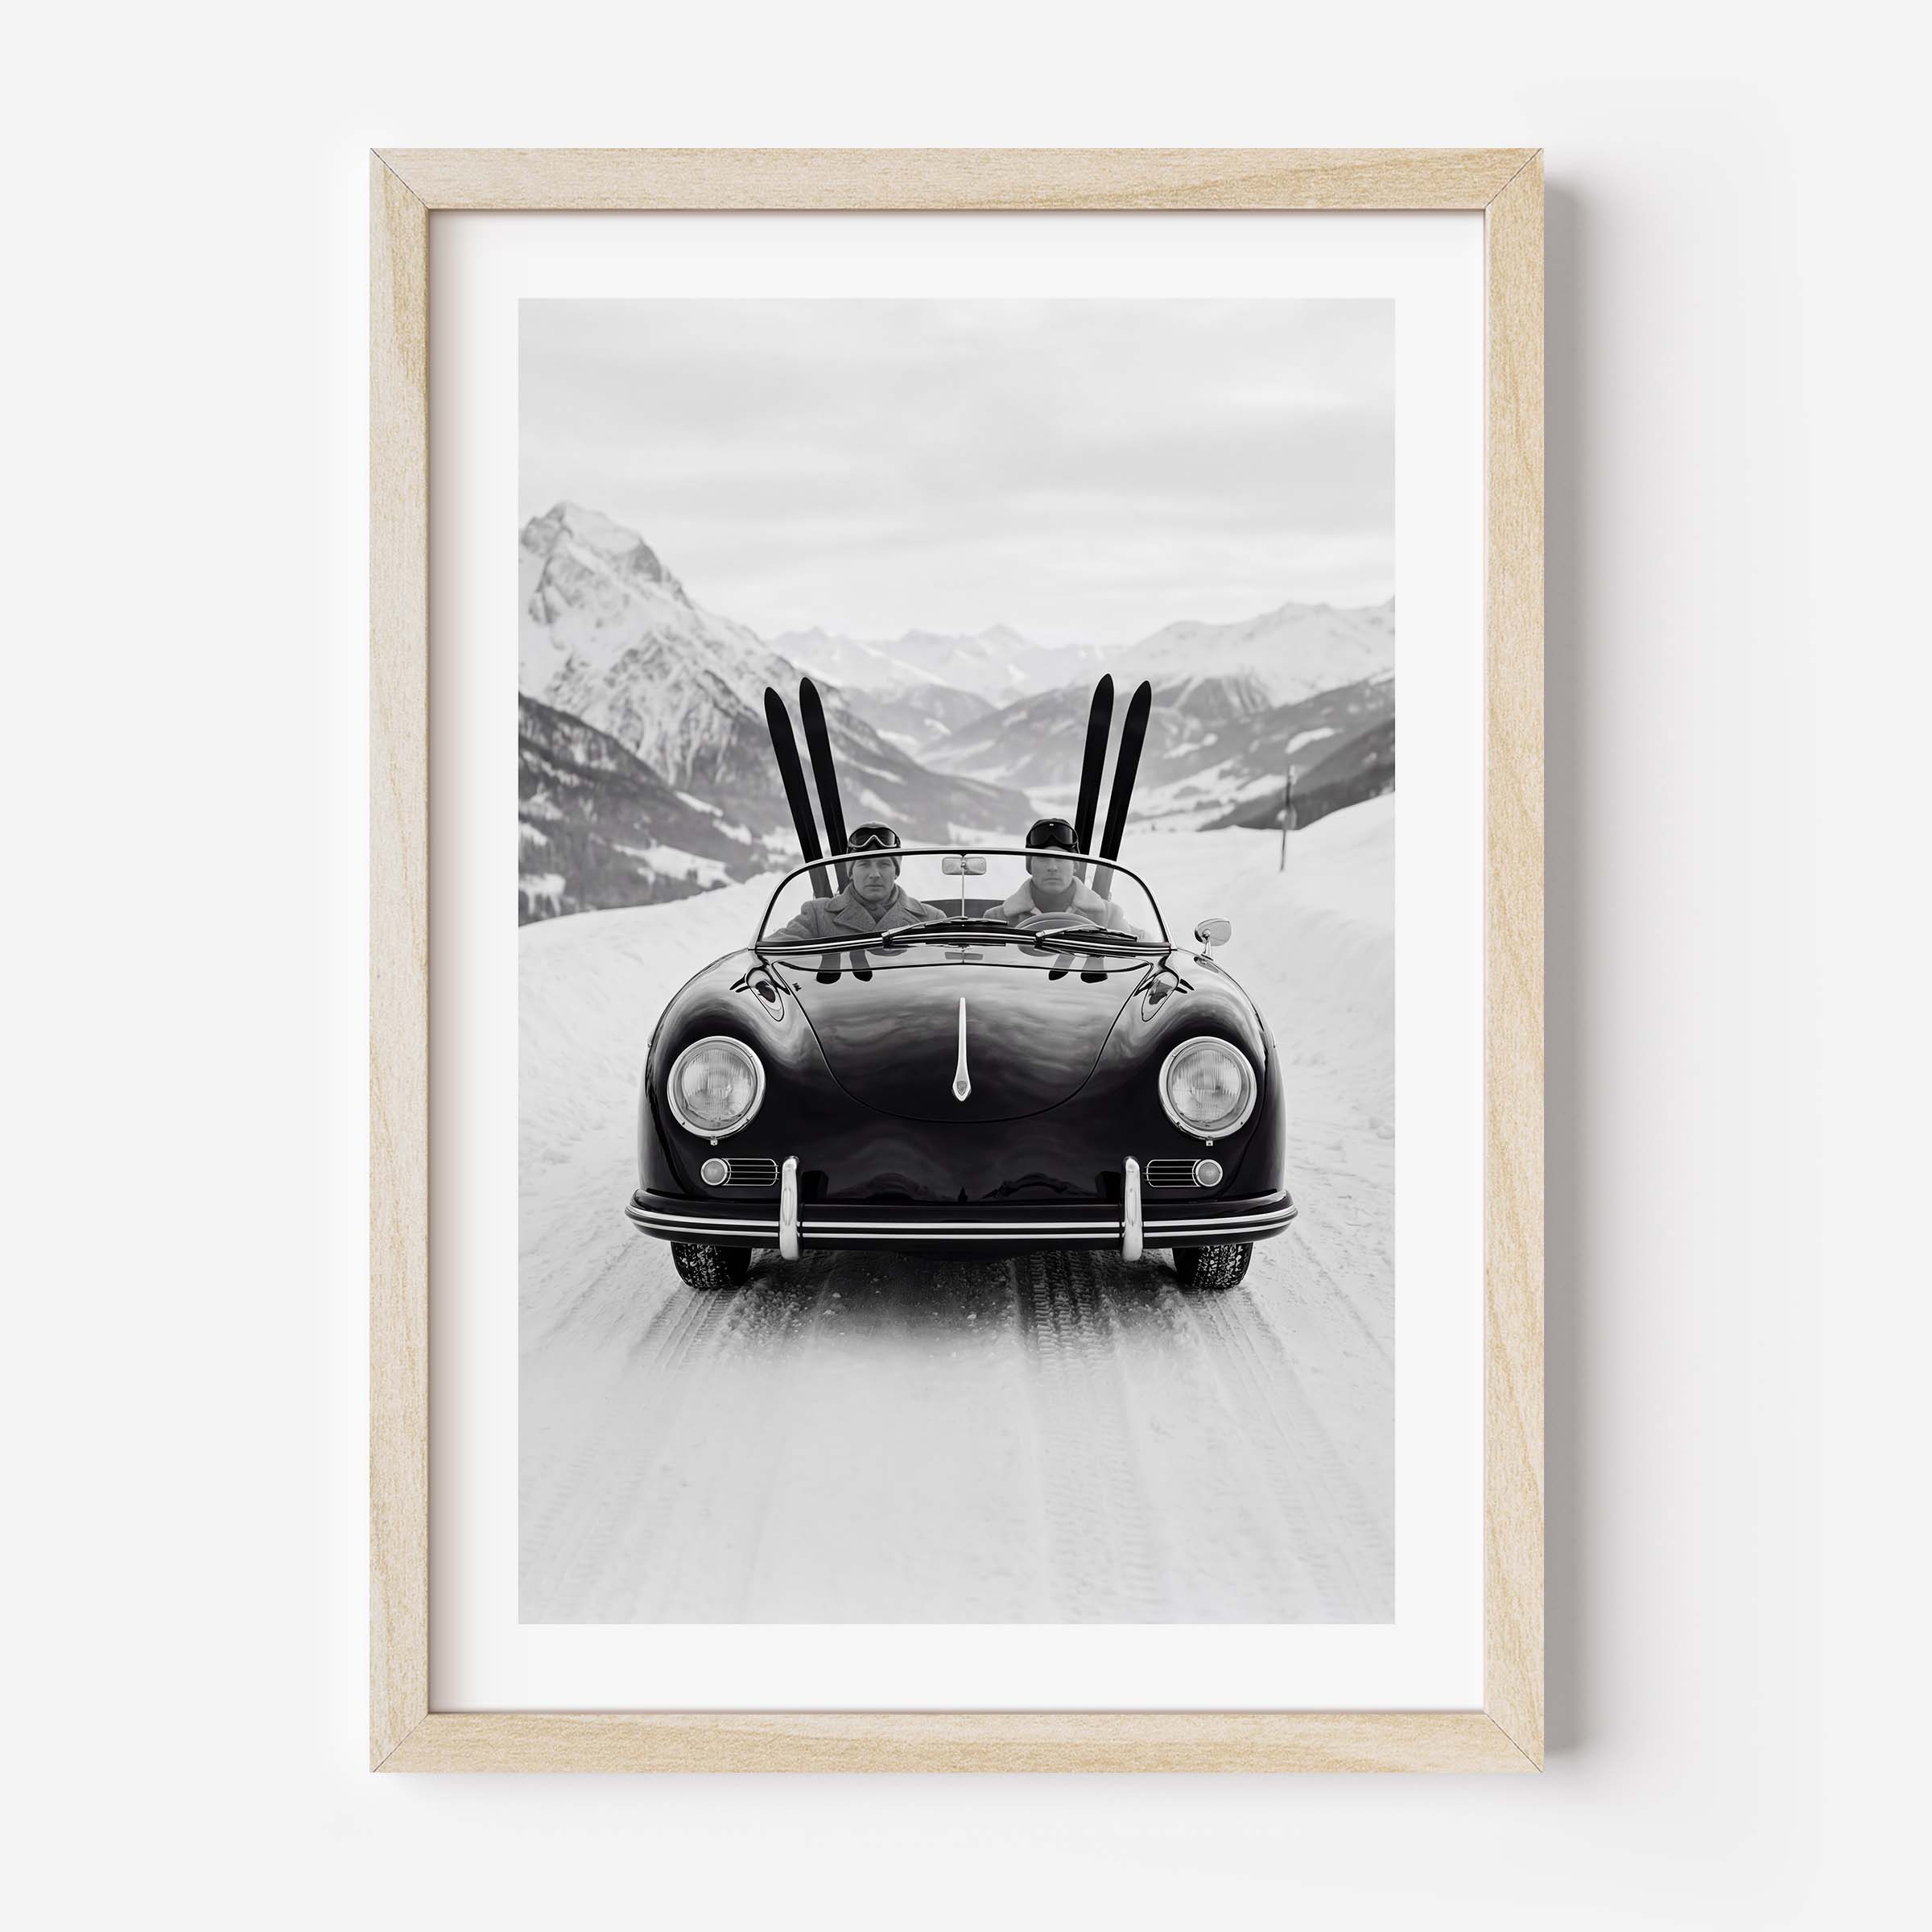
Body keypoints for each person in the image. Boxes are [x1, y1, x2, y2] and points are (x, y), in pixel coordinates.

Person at [761, 822, 944, 945]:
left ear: (896, 871)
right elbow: (769, 952)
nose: (874, 874)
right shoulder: (817, 916)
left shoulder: (931, 920)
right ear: (851, 871)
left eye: (884, 864)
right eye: (864, 864)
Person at [997, 817, 1138, 931]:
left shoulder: (1109, 917)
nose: (1052, 867)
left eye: (1061, 858)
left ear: (1075, 865)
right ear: (1030, 866)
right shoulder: (999, 918)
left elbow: (1132, 959)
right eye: (1043, 858)